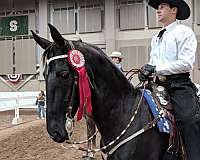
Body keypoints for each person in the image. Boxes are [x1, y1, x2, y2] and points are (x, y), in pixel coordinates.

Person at [139, 0, 200, 159]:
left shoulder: (184, 32)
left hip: (178, 84)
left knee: (188, 120)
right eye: (157, 8)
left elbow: (186, 63)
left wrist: (157, 69)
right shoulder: (156, 37)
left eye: (162, 7)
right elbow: (153, 62)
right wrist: (146, 71)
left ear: (174, 10)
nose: (158, 10)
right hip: (156, 84)